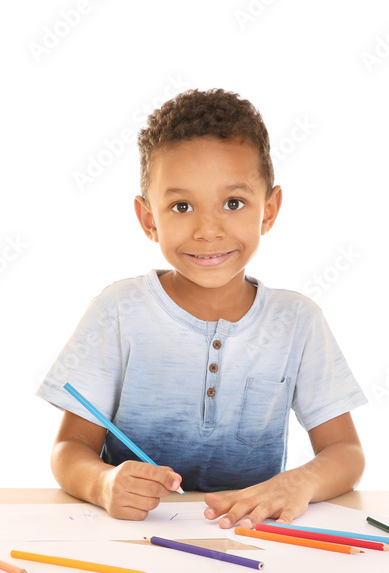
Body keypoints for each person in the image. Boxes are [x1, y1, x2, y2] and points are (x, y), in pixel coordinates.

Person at [37, 88, 367, 529]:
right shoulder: (119, 311)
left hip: (252, 540)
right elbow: (68, 451)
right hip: (134, 539)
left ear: (268, 211)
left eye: (233, 203)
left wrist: (301, 483)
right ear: (149, 219)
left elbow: (346, 453)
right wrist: (104, 483)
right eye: (182, 206)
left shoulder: (297, 322)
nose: (208, 230)